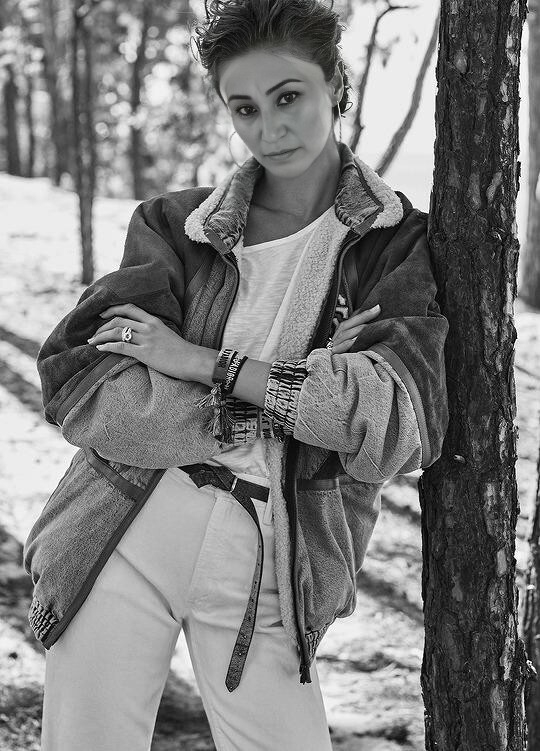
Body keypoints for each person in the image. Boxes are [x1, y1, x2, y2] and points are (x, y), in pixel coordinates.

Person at [23, 0, 450, 749]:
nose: (269, 128)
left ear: (336, 85)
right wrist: (295, 390)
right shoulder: (175, 227)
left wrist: (199, 362)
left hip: (273, 559)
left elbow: (388, 426)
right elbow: (85, 385)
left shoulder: (393, 246)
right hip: (123, 531)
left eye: (289, 97)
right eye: (244, 107)